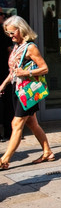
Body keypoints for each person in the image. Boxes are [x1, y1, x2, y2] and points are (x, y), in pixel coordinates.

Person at [0, 16, 55, 170]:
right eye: (8, 34)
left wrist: (26, 72)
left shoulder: (30, 47)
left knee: (15, 124)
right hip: (17, 90)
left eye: (12, 33)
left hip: (28, 92)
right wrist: (3, 85)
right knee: (32, 123)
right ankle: (47, 152)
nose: (10, 36)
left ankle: (4, 160)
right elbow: (13, 72)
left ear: (20, 29)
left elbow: (44, 68)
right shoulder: (17, 47)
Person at [0, 8, 14, 142]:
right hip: (4, 72)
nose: (3, 16)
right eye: (1, 14)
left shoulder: (3, 33)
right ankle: (10, 132)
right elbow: (9, 50)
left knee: (7, 103)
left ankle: (11, 132)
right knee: (7, 103)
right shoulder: (2, 33)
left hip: (5, 72)